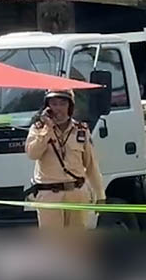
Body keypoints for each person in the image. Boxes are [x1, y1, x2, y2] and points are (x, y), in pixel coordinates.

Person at [24, 90, 105, 230]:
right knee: (53, 243)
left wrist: (100, 194)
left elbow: (91, 165)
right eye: (54, 104)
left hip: (77, 193)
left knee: (77, 242)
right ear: (47, 107)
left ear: (70, 106)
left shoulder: (81, 130)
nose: (58, 108)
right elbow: (32, 154)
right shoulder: (37, 129)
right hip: (49, 195)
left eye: (63, 103)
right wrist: (47, 130)